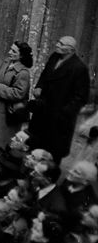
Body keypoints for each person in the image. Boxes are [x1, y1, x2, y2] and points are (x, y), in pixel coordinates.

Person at [31, 35, 90, 163]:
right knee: (34, 148)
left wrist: (64, 113)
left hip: (58, 121)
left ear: (71, 50)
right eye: (58, 42)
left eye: (61, 44)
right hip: (42, 112)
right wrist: (39, 86)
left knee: (50, 155)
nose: (57, 45)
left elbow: (81, 97)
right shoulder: (54, 57)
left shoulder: (79, 68)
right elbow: (44, 75)